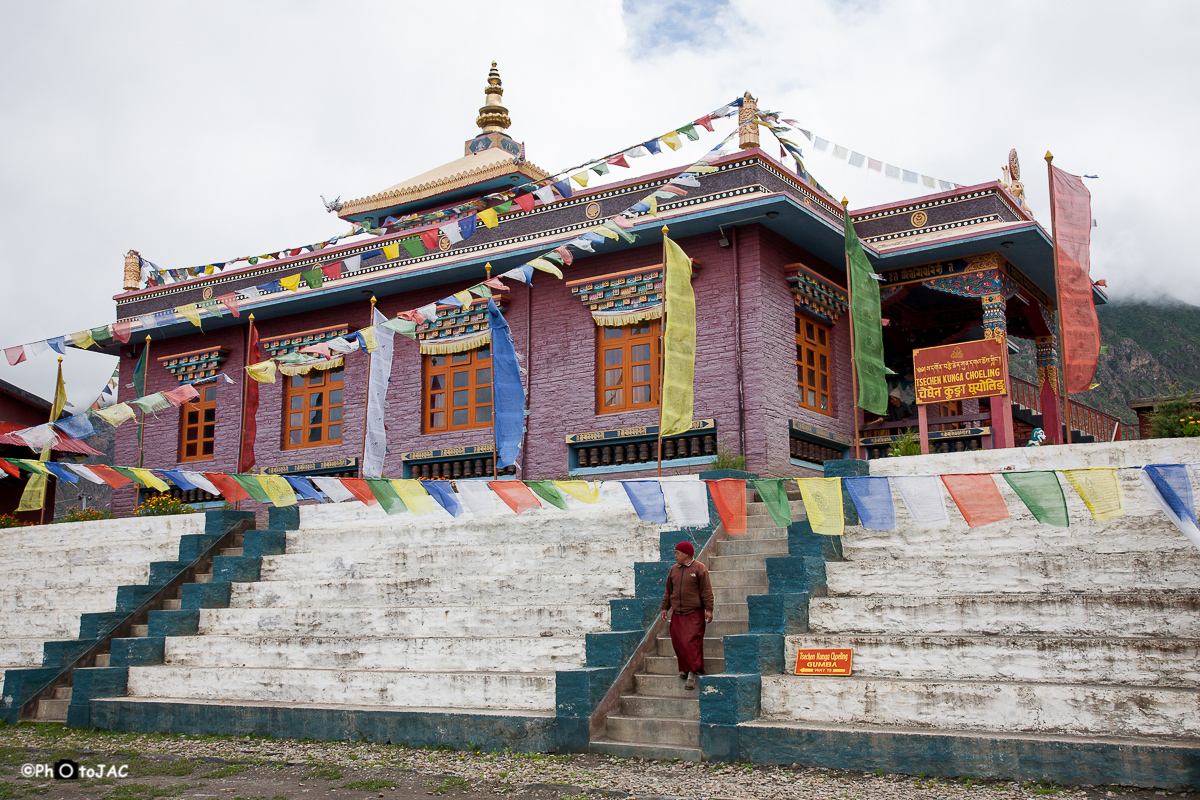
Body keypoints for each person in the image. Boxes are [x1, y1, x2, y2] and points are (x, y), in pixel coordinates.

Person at [660, 541, 714, 690]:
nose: (675, 556)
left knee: (692, 642)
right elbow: (668, 591)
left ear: (686, 554)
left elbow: (706, 591)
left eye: (677, 553)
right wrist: (665, 608)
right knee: (678, 642)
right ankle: (685, 667)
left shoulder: (699, 569)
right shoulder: (673, 570)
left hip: (694, 612)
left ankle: (692, 673)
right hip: (677, 612)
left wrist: (709, 609)